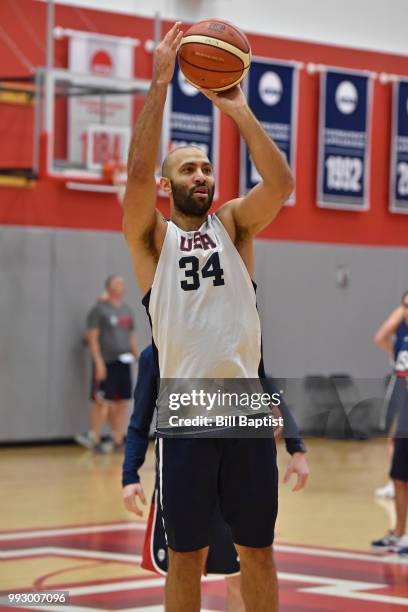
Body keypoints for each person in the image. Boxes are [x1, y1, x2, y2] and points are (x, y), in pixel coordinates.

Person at [122, 23, 309, 611]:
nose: (201, 175)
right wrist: (160, 83)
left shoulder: (233, 224)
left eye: (206, 168)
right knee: (187, 556)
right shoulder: (151, 239)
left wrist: (239, 109)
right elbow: (133, 179)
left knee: (258, 549)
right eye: (188, 170)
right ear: (167, 182)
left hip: (246, 405)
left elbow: (281, 183)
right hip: (186, 403)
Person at [122, 345, 307, 610]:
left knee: (238, 572)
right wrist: (130, 476)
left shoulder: (233, 343)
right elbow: (139, 421)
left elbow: (264, 384)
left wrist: (295, 445)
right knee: (183, 566)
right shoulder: (157, 354)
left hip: (230, 471)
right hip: (185, 471)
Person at [77, 275, 138, 453]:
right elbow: (92, 338)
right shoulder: (99, 310)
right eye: (117, 283)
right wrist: (99, 362)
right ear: (109, 287)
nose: (121, 285)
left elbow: (131, 337)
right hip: (106, 361)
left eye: (122, 283)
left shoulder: (127, 310)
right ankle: (94, 438)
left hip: (124, 361)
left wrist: (138, 357)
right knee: (101, 401)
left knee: (122, 402)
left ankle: (118, 438)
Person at [372, 291, 408, 554]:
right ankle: (398, 534)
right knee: (398, 476)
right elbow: (380, 336)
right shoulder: (401, 338)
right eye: (404, 307)